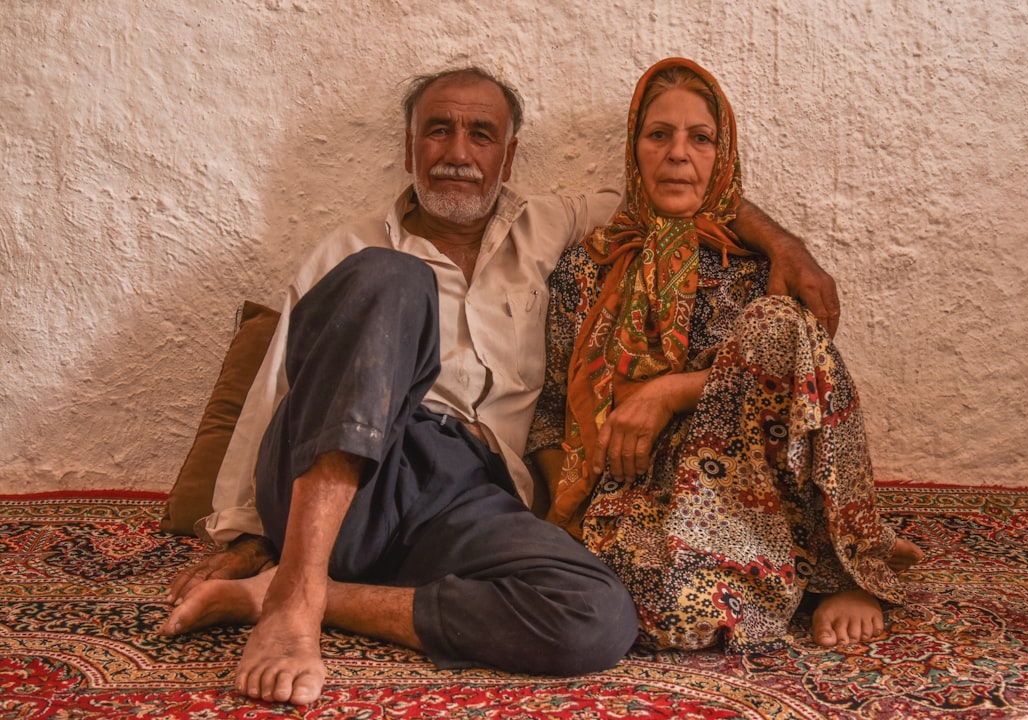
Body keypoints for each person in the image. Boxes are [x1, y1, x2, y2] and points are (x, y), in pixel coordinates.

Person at [160, 65, 841, 706]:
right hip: (349, 476)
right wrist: (249, 532)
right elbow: (277, 389)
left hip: (466, 497)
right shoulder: (350, 250)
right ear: (409, 148)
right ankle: (296, 594)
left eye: (480, 134)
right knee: (395, 278)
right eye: (439, 130)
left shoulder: (548, 227)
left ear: (508, 157)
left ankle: (299, 595)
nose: (458, 151)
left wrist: (788, 248)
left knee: (598, 618)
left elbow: (678, 188)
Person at [527, 57, 923, 654]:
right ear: (636, 150)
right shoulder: (588, 267)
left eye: (701, 138)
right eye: (659, 135)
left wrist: (667, 392)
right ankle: (761, 573)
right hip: (640, 490)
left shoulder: (764, 267)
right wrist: (568, 532)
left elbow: (801, 378)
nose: (678, 154)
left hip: (754, 484)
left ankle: (839, 574)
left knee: (782, 326)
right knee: (680, 620)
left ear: (723, 155)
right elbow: (553, 413)